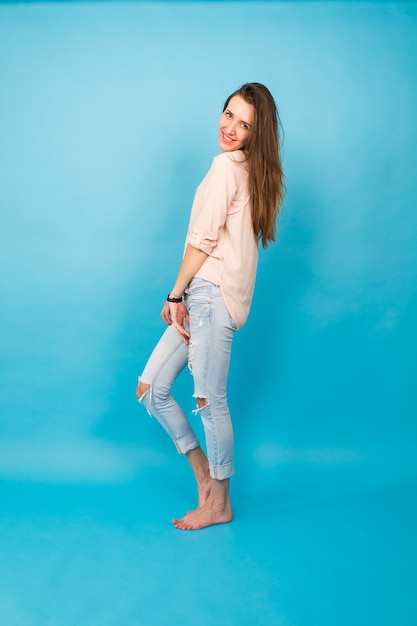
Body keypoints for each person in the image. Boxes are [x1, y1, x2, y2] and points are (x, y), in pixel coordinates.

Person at [136, 83, 284, 530]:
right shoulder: (245, 172)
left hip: (210, 296)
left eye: (244, 124)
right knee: (151, 389)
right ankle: (203, 474)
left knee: (209, 400)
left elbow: (202, 243)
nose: (231, 127)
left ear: (256, 135)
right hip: (206, 294)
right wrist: (187, 292)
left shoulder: (227, 167)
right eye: (228, 114)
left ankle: (219, 502)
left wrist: (175, 293)